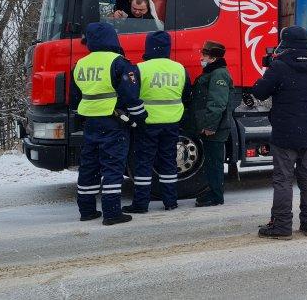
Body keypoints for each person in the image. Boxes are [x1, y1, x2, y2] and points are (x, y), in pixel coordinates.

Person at [250, 26, 307, 240]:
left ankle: (282, 226)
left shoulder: (280, 66)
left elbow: (259, 91)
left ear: (285, 42)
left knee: (283, 179)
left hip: (285, 131)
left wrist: (270, 70)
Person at [70, 22, 146, 226]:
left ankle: (86, 210)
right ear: (112, 38)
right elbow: (131, 95)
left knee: (89, 166)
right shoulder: (119, 62)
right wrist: (140, 116)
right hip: (113, 122)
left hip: (90, 123)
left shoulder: (80, 64)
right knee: (112, 166)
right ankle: (112, 213)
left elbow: (75, 97)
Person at [124, 31, 191, 214]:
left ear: (148, 47)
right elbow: (186, 96)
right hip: (172, 122)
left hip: (148, 123)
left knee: (144, 163)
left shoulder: (140, 69)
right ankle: (170, 201)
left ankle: (141, 203)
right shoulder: (180, 68)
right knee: (169, 161)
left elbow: (131, 95)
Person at [190, 40, 233, 207]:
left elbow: (217, 104)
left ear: (213, 58)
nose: (201, 58)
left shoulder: (219, 74)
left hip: (216, 128)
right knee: (210, 161)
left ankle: (216, 196)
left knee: (214, 162)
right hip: (212, 126)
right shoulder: (212, 72)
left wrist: (210, 126)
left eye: (205, 55)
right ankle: (212, 191)